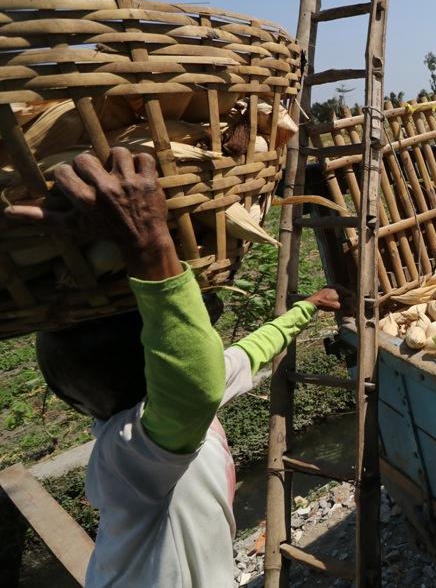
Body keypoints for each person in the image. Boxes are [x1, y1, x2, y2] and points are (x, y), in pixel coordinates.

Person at [6, 147, 340, 586]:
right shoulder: (133, 451)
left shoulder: (161, 426)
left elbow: (245, 355)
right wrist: (148, 241)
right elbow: (195, 383)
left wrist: (307, 309)